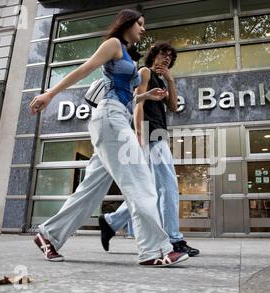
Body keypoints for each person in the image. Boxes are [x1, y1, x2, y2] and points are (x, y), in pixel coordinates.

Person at [29, 9, 189, 267]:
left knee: (90, 191)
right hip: (110, 121)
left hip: (115, 120)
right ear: (126, 23)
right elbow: (84, 69)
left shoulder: (127, 55)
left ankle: (49, 235)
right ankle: (155, 251)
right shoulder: (113, 45)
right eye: (140, 24)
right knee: (141, 182)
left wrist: (146, 97)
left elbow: (125, 95)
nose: (143, 29)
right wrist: (49, 94)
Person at [99, 42, 199, 257]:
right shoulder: (144, 72)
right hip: (150, 135)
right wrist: (139, 137)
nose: (166, 59)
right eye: (163, 54)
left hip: (158, 134)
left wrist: (171, 80)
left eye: (170, 57)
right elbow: (137, 103)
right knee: (169, 186)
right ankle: (174, 239)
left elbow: (173, 107)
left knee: (150, 189)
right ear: (153, 56)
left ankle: (111, 221)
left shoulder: (163, 81)